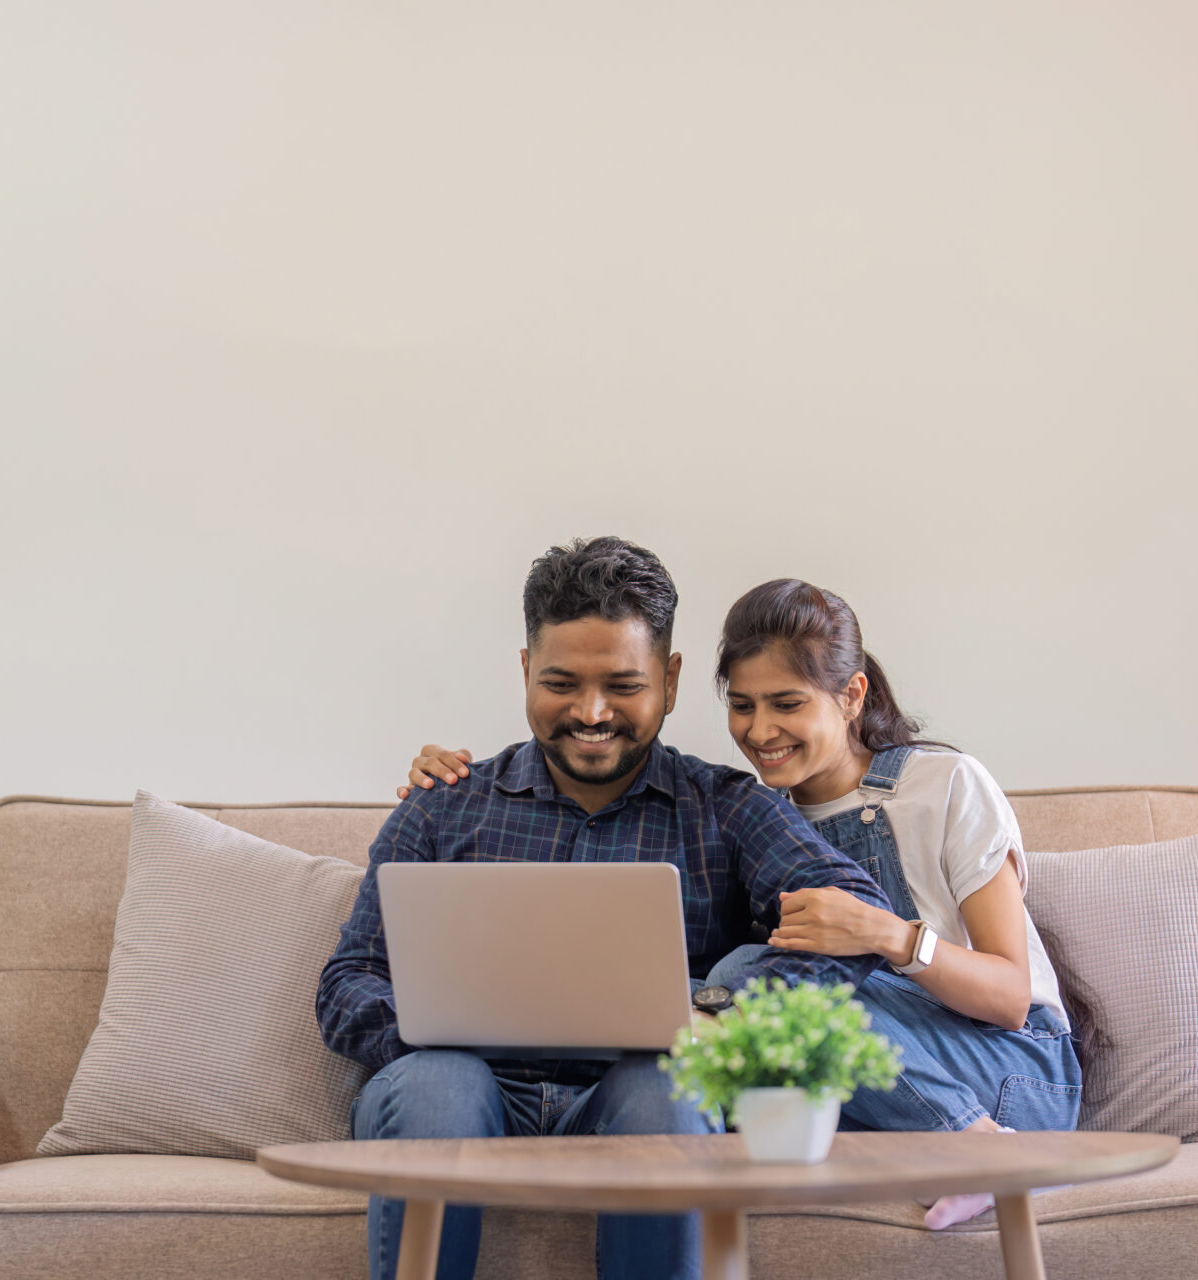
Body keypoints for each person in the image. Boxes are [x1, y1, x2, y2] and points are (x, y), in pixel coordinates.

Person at [403, 578, 1087, 1230]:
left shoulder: (942, 786)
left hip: (1009, 1070)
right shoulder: (759, 816)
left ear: (852, 696)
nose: (761, 731)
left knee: (736, 983)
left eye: (787, 704)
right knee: (707, 1015)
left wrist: (887, 934)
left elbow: (1008, 997)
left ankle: (974, 1144)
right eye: (742, 704)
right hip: (859, 1083)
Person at [319, 541, 894, 1280]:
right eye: (562, 683)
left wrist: (716, 1012)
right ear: (526, 672)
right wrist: (436, 1027)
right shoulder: (444, 808)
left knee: (664, 1090)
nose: (591, 714)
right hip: (462, 1090)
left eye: (623, 685)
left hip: (631, 1093)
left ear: (672, 679)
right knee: (439, 1086)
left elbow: (857, 915)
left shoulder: (725, 809)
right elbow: (347, 981)